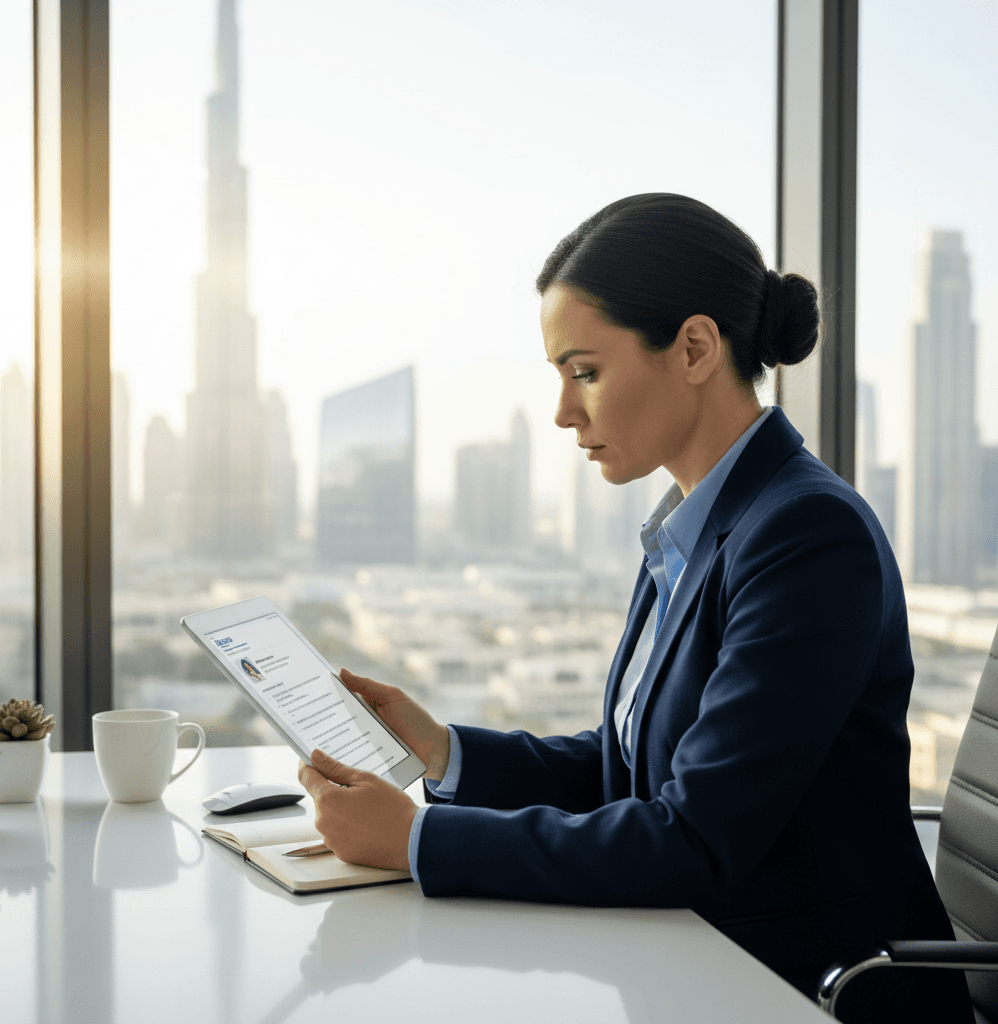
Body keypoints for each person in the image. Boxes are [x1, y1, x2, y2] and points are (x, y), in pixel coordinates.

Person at [298, 194, 973, 1023]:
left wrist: (413, 841)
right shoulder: (690, 525)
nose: (562, 411)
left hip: (810, 987)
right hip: (692, 962)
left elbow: (692, 838)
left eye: (584, 371)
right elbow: (629, 769)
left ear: (693, 348)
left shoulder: (805, 534)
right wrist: (445, 755)